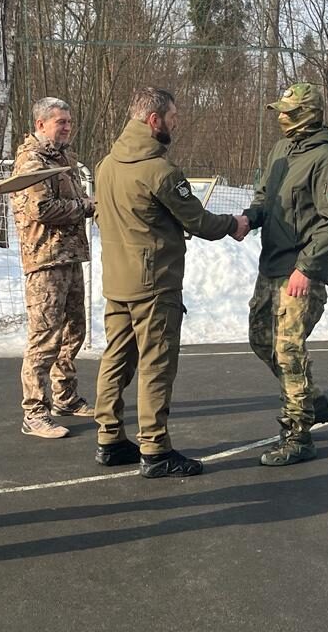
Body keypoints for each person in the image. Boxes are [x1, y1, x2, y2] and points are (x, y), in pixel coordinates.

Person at [93, 87, 250, 478]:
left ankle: (109, 438)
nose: (175, 125)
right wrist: (234, 224)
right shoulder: (160, 172)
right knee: (156, 364)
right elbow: (197, 220)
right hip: (154, 283)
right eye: (173, 119)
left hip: (117, 280)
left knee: (116, 358)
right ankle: (155, 449)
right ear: (153, 120)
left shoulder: (105, 165)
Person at [242, 83, 328, 467]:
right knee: (260, 340)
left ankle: (298, 434)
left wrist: (307, 268)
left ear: (308, 113)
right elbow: (263, 199)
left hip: (300, 272)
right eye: (279, 112)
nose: (281, 118)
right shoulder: (281, 151)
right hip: (270, 264)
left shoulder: (326, 158)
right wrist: (247, 219)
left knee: (289, 349)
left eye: (288, 112)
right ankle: (313, 399)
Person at [10, 97, 96, 439]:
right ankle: (34, 412)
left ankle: (65, 397)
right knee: (44, 337)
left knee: (74, 330)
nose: (67, 127)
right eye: (60, 121)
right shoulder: (32, 161)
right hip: (45, 260)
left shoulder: (63, 157)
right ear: (40, 124)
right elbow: (41, 209)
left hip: (69, 256)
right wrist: (85, 206)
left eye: (69, 121)